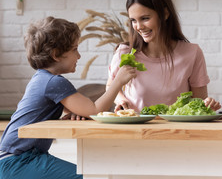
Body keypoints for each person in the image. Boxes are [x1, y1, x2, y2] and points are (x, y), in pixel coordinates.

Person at [0, 17, 137, 178]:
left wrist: (77, 112)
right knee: (88, 177)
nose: (78, 56)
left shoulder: (41, 78)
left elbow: (83, 110)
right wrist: (117, 82)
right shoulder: (54, 82)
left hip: (15, 157)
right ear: (56, 54)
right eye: (74, 49)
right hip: (18, 160)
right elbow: (94, 110)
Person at [107, 0, 221, 112]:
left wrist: (207, 105)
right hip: (136, 129)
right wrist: (122, 100)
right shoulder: (125, 52)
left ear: (165, 14)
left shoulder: (192, 53)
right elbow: (111, 86)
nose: (138, 27)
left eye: (145, 18)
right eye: (133, 20)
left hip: (178, 130)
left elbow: (199, 101)